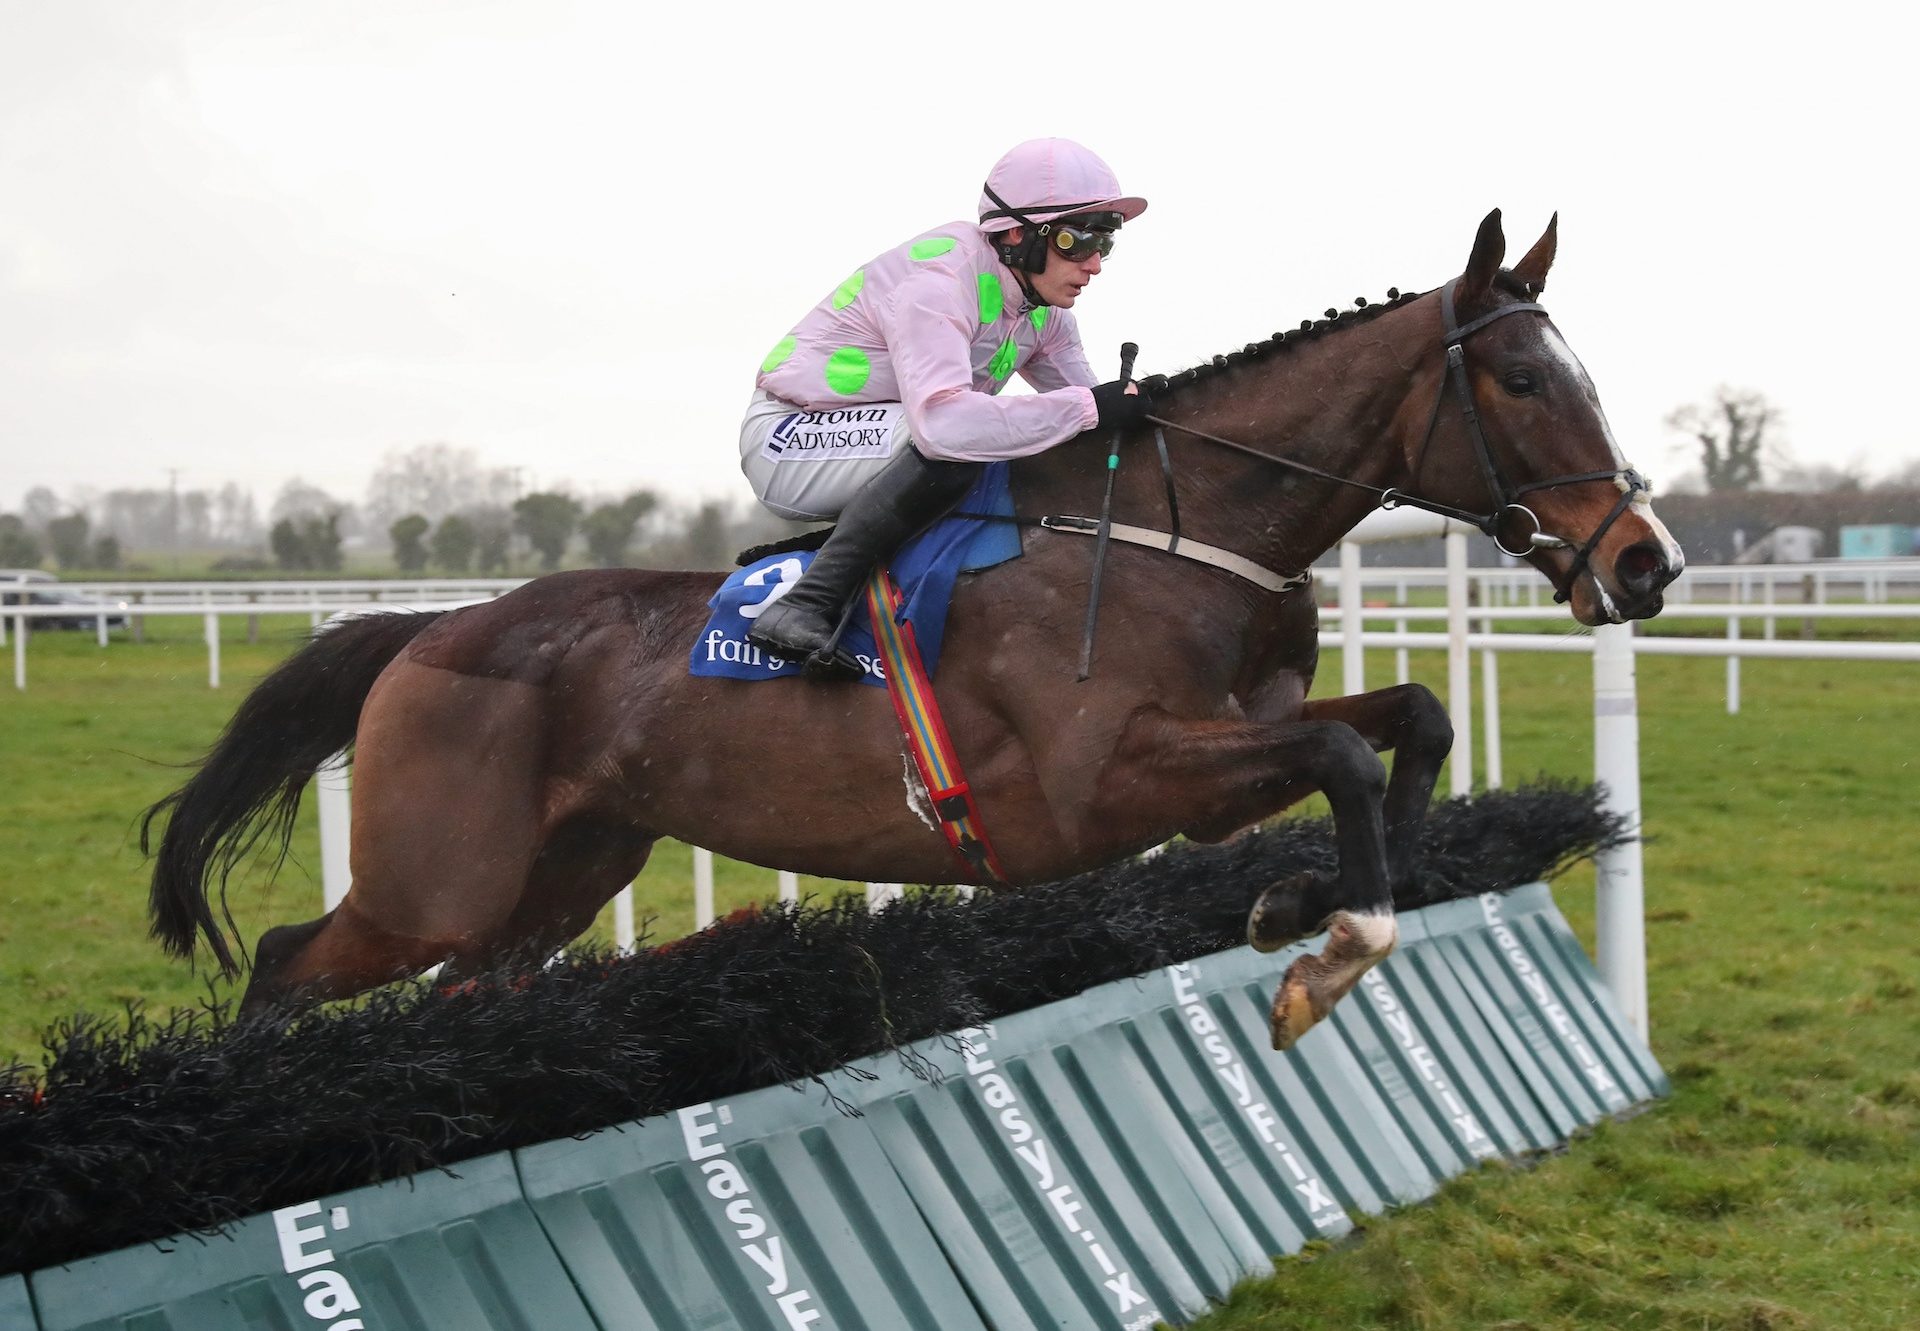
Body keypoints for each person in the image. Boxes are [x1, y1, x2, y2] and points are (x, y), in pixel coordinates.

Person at [739, 136, 1153, 675]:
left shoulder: (1047, 317)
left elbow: (1088, 418)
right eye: (1079, 241)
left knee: (1017, 443)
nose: (1095, 264)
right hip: (790, 439)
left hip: (881, 439)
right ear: (1016, 234)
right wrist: (1086, 409)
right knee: (963, 441)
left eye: (1107, 243)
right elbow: (947, 428)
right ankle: (806, 603)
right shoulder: (938, 283)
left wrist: (1142, 406)